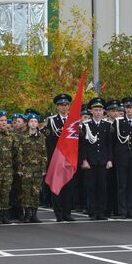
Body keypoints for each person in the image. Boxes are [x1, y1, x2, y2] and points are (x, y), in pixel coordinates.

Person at [43, 94, 76, 222]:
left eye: (66, 105)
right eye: (61, 105)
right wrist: (52, 159)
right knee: (57, 187)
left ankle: (67, 213)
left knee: (68, 187)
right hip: (56, 158)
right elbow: (49, 141)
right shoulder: (51, 121)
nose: (64, 107)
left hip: (69, 158)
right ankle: (59, 214)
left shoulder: (73, 120)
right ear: (57, 107)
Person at [111, 97, 132, 219]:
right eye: (127, 108)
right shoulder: (118, 122)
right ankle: (122, 211)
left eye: (131, 108)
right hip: (122, 158)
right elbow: (113, 141)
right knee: (122, 186)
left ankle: (131, 210)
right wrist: (114, 158)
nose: (129, 110)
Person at [81, 97, 113, 220]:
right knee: (91, 187)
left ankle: (101, 211)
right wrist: (84, 160)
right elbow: (83, 145)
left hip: (103, 160)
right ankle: (92, 212)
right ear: (91, 111)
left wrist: (110, 159)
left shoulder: (107, 125)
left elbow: (109, 145)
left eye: (100, 110)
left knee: (102, 187)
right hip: (90, 160)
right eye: (96, 110)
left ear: (103, 111)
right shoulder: (86, 125)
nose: (98, 112)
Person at [15, 113, 47, 223]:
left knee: (36, 191)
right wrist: (20, 168)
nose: (33, 123)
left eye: (35, 121)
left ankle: (34, 214)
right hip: (26, 168)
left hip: (38, 168)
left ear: (38, 124)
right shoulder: (23, 136)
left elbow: (44, 154)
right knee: (26, 191)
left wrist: (43, 169)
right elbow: (19, 154)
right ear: (28, 123)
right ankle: (27, 214)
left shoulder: (41, 137)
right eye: (31, 121)